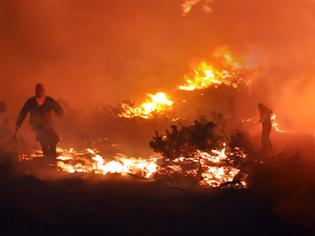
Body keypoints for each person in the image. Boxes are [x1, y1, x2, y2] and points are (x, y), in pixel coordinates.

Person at [15, 83, 64, 158]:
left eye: (41, 90)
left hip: (48, 125)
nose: (39, 92)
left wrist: (60, 114)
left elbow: (59, 109)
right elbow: (23, 113)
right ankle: (47, 158)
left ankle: (52, 157)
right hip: (36, 126)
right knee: (44, 141)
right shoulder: (30, 101)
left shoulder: (49, 100)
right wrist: (18, 124)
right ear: (35, 91)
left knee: (54, 139)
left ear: (43, 91)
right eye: (37, 90)